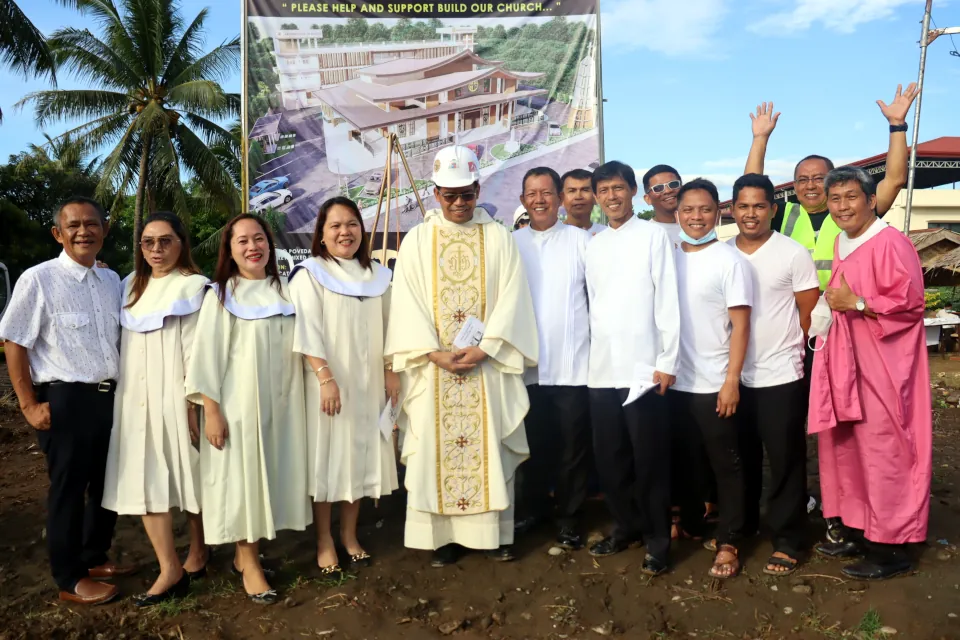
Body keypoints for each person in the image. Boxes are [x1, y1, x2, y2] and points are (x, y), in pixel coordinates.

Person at [385, 145, 538, 568]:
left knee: (488, 444)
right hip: (435, 370)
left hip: (484, 366)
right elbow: (407, 299)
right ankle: (442, 538)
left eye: (466, 195)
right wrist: (433, 353)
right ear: (435, 193)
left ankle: (494, 534)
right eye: (449, 196)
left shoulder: (498, 238)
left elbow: (512, 298)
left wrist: (487, 348)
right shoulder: (418, 239)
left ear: (477, 189)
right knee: (436, 445)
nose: (458, 204)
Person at [0, 196, 134, 604]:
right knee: (69, 490)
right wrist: (28, 404)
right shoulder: (38, 280)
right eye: (73, 225)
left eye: (91, 224)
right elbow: (13, 341)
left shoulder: (111, 281)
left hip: (110, 399)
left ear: (104, 230)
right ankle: (70, 577)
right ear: (58, 233)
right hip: (65, 400)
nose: (83, 231)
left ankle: (95, 555)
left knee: (108, 484)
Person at [810, 166, 931, 580]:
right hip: (848, 363)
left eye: (850, 197)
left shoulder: (890, 241)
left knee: (886, 452)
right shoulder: (845, 241)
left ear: (870, 199)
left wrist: (858, 303)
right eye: (835, 199)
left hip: (885, 367)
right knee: (848, 448)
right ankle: (861, 529)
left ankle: (893, 546)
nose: (842, 206)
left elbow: (912, 303)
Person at [186, 214, 311, 604]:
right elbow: (206, 357)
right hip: (238, 405)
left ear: (270, 245)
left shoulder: (288, 290)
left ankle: (244, 556)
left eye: (259, 239)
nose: (252, 247)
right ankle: (251, 562)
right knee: (243, 482)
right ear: (230, 250)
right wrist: (213, 411)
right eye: (242, 241)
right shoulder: (222, 294)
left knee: (269, 478)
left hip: (285, 404)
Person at [102, 212, 209, 606]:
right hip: (134, 398)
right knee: (146, 478)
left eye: (165, 241)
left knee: (191, 475)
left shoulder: (195, 286)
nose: (157, 249)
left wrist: (192, 401)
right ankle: (170, 567)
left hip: (177, 396)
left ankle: (199, 550)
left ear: (181, 243)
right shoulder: (130, 284)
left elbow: (198, 350)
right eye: (148, 242)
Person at [289, 197, 399, 576]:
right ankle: (323, 540)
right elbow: (306, 330)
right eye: (335, 226)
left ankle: (350, 536)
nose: (344, 232)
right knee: (329, 459)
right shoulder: (310, 273)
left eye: (351, 224)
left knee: (359, 456)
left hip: (368, 383)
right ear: (321, 234)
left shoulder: (379, 276)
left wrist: (389, 370)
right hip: (328, 383)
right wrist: (325, 378)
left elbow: (391, 327)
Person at [584, 161, 679, 576]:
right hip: (602, 369)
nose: (612, 197)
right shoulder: (594, 244)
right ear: (596, 197)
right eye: (603, 190)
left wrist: (666, 361)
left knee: (650, 461)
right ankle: (626, 526)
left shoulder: (653, 236)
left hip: (644, 370)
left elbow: (668, 303)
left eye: (618, 188)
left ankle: (659, 541)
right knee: (611, 459)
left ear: (632, 193)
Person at [728, 175, 819, 576]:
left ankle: (788, 538)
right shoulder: (721, 253)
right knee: (740, 457)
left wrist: (793, 358)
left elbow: (808, 316)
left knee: (785, 460)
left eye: (759, 206)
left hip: (781, 374)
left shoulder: (792, 253)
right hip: (732, 376)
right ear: (732, 209)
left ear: (773, 209)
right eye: (743, 206)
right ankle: (744, 527)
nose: (751, 214)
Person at [744, 84, 919, 292]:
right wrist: (760, 139)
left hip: (843, 310)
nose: (810, 185)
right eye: (802, 179)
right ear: (794, 185)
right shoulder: (781, 214)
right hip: (793, 312)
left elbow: (895, 180)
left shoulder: (851, 211)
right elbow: (750, 189)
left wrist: (897, 125)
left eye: (818, 178)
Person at [672, 178, 752, 579]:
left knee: (726, 464)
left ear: (718, 211)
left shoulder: (729, 261)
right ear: (677, 213)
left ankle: (729, 541)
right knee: (687, 462)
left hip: (714, 380)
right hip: (674, 381)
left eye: (704, 209)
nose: (696, 217)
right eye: (688, 210)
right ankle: (690, 522)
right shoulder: (667, 256)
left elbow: (740, 327)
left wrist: (731, 380)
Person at [512, 167, 592, 550]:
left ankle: (570, 518)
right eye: (532, 193)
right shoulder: (510, 244)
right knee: (531, 444)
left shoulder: (581, 241)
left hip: (573, 364)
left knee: (572, 448)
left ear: (559, 198)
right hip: (526, 366)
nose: (540, 200)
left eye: (547, 192)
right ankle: (534, 510)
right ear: (523, 199)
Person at [641, 164, 684, 248]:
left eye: (673, 184)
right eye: (658, 188)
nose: (668, 191)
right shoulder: (644, 235)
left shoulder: (699, 227)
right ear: (647, 199)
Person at [561, 168, 606, 235]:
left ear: (595, 197)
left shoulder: (606, 235)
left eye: (585, 190)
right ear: (561, 198)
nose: (578, 197)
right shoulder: (552, 236)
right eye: (572, 191)